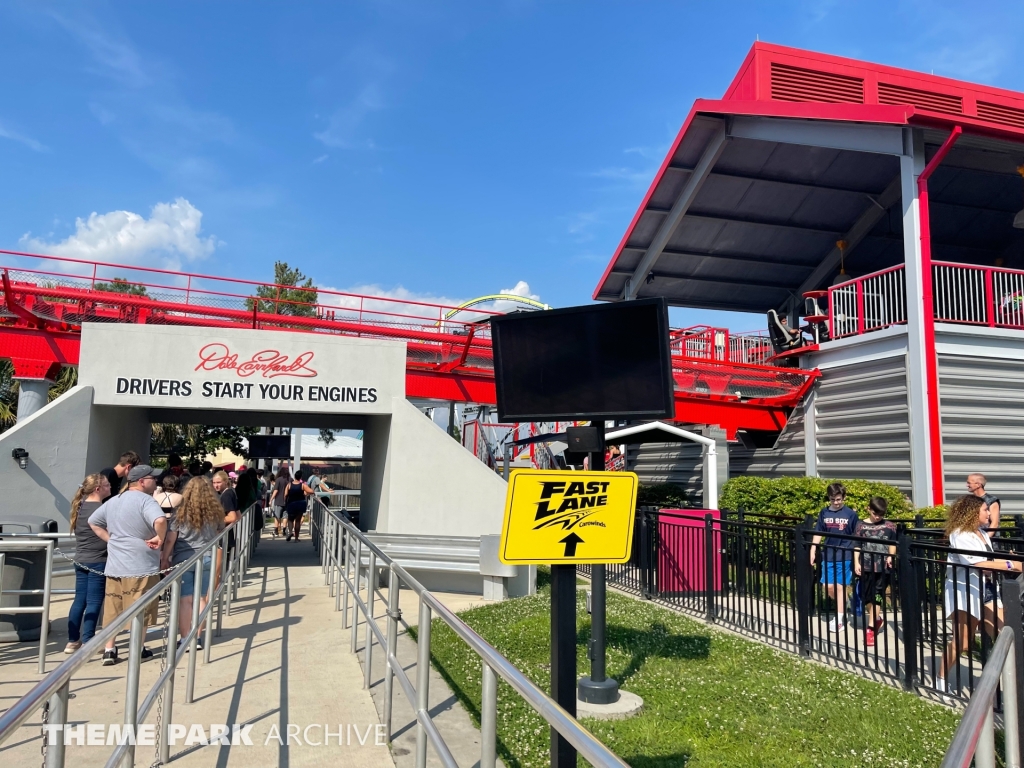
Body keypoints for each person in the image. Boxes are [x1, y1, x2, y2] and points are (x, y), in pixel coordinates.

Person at [940, 494, 1022, 694]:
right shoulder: (960, 534)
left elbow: (990, 559)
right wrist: (1011, 565)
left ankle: (1007, 687)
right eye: (985, 510)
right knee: (962, 643)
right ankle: (940, 679)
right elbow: (979, 564)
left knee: (1005, 635)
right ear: (972, 512)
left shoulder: (982, 533)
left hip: (987, 589)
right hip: (966, 590)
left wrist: (1011, 560)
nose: (989, 514)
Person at [88, 465, 167, 666]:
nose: (156, 481)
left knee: (113, 608)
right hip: (141, 565)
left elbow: (93, 522)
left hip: (115, 565)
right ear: (141, 481)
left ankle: (109, 649)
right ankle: (137, 649)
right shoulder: (146, 501)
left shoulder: (114, 500)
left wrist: (112, 540)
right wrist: (160, 538)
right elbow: (160, 520)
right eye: (152, 478)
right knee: (142, 609)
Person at [160, 477, 225, 652]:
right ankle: (197, 637)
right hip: (207, 556)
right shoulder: (215, 511)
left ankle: (184, 638)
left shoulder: (179, 511)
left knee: (185, 600)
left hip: (184, 558)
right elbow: (219, 533)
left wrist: (165, 558)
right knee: (202, 598)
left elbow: (171, 538)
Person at [65, 473, 112, 653]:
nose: (110, 487)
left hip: (81, 559)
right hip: (98, 560)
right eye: (107, 485)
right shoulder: (102, 509)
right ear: (98, 489)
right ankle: (88, 640)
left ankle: (72, 640)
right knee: (94, 601)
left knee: (79, 600)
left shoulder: (80, 506)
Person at [809, 482, 859, 632]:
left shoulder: (851, 514)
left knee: (839, 586)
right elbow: (818, 532)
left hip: (845, 554)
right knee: (828, 586)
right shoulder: (824, 513)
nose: (836, 502)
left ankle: (839, 619)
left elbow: (856, 537)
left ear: (844, 497)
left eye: (838, 499)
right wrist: (813, 549)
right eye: (833, 499)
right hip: (828, 554)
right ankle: (845, 602)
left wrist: (856, 557)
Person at [853, 497, 897, 648]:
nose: (878, 517)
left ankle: (870, 628)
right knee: (866, 597)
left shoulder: (890, 526)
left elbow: (892, 543)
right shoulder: (860, 525)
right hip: (865, 566)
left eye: (881, 514)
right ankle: (877, 619)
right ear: (868, 509)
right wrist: (856, 562)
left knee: (877, 595)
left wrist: (891, 556)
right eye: (875, 513)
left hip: (883, 568)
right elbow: (857, 544)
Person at [283, 470, 315, 542]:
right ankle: (296, 538)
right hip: (300, 503)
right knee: (297, 521)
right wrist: (306, 493)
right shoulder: (302, 485)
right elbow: (311, 491)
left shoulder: (289, 485)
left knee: (290, 519)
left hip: (291, 503)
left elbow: (285, 495)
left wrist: (285, 502)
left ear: (294, 477)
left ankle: (290, 532)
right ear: (300, 477)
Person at [269, 466, 290, 537]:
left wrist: (271, 499)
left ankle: (276, 531)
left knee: (277, 516)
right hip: (287, 501)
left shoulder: (278, 480)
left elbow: (276, 490)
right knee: (285, 516)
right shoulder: (290, 479)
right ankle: (284, 531)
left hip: (278, 501)